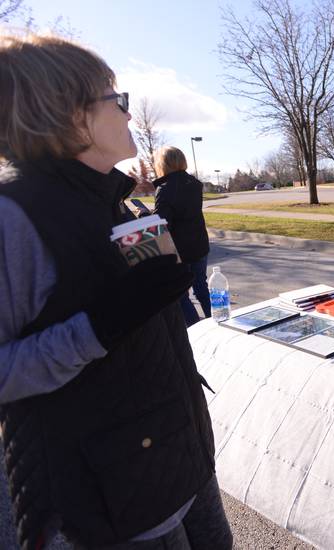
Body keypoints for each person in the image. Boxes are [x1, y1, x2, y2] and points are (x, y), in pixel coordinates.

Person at [0, 35, 232, 549]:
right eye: (115, 99)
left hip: (179, 452)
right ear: (66, 112)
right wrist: (99, 326)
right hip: (106, 499)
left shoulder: (115, 199)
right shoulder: (12, 216)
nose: (128, 115)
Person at [147, 146, 211, 326]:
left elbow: (162, 222)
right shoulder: (195, 184)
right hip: (199, 244)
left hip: (179, 250)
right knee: (201, 286)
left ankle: (196, 329)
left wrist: (144, 216)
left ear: (163, 164)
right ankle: (214, 321)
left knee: (182, 294)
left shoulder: (165, 188)